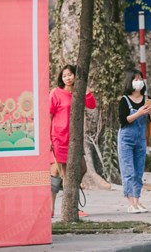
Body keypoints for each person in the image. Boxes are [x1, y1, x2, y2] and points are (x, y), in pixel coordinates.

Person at [49, 64, 96, 217]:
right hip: (58, 137)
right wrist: (47, 138)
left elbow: (92, 104)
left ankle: (67, 206)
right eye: (64, 75)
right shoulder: (55, 93)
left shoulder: (78, 93)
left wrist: (85, 88)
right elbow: (48, 115)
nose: (67, 78)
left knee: (81, 168)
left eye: (70, 74)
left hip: (74, 138)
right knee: (59, 174)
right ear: (61, 78)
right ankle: (63, 209)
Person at [118, 69, 151, 214]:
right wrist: (138, 113)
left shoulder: (147, 98)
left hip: (141, 139)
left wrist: (150, 112)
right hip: (126, 139)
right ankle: (131, 203)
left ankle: (137, 200)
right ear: (130, 81)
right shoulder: (124, 100)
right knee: (128, 171)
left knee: (138, 172)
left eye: (140, 78)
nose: (138, 81)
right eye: (135, 79)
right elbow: (123, 120)